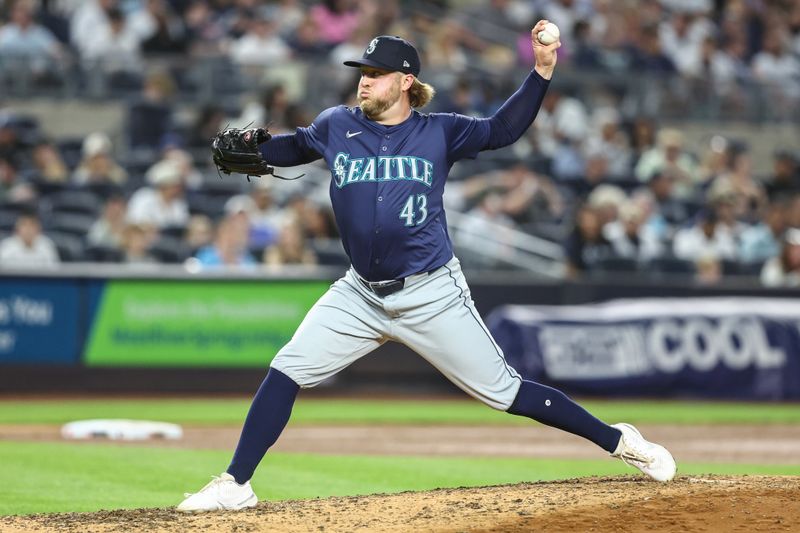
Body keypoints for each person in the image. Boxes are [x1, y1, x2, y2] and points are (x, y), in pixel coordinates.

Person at [178, 23, 676, 512]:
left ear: (405, 82)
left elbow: (503, 129)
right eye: (362, 71)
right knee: (287, 369)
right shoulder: (338, 124)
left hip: (431, 292)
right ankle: (235, 483)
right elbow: (298, 145)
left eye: (376, 72)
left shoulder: (440, 132)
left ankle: (618, 441)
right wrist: (256, 147)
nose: (364, 80)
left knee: (507, 392)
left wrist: (541, 71)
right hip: (360, 293)